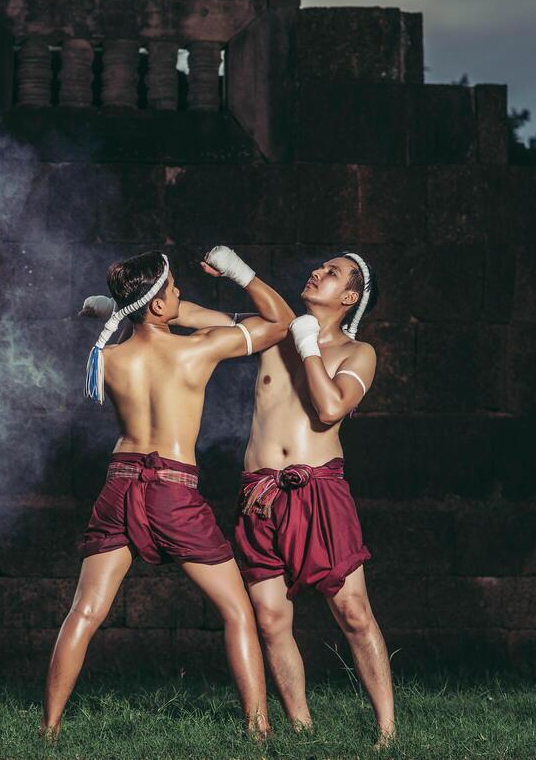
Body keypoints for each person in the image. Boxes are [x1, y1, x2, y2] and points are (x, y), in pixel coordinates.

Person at [79, 252, 394, 747]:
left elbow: (330, 408)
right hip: (259, 494)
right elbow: (182, 314)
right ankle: (300, 727)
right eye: (319, 266)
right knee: (269, 618)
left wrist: (308, 345)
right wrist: (117, 309)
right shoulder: (270, 330)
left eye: (331, 273)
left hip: (318, 490)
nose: (316, 271)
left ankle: (387, 733)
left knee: (353, 610)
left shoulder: (360, 354)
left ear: (350, 296)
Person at [42, 247, 291, 742]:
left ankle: (47, 733)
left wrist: (120, 309)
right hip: (173, 489)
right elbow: (280, 322)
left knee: (85, 611)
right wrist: (239, 273)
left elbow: (140, 319)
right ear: (157, 305)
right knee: (237, 610)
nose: (182, 294)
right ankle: (259, 733)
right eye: (174, 288)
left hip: (119, 483)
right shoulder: (197, 349)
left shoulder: (107, 357)